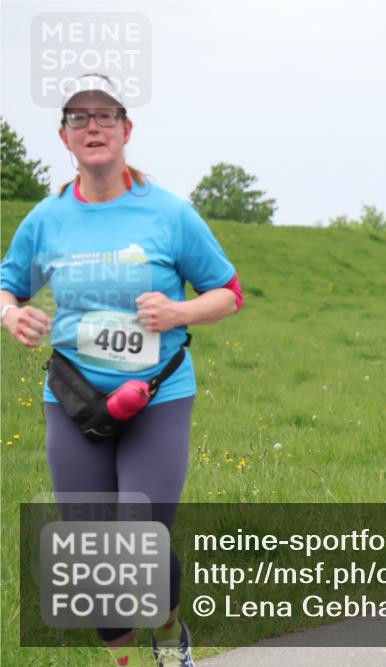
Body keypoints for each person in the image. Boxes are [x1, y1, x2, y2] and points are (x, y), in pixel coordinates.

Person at [0, 73, 243, 666]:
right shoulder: (47, 219)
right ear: (64, 136)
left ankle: (167, 630)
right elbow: (8, 286)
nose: (94, 126)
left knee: (135, 535)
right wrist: (13, 315)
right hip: (74, 397)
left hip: (157, 395)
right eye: (79, 118)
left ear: (127, 129)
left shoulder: (169, 213)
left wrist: (180, 309)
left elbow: (229, 291)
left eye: (105, 116)